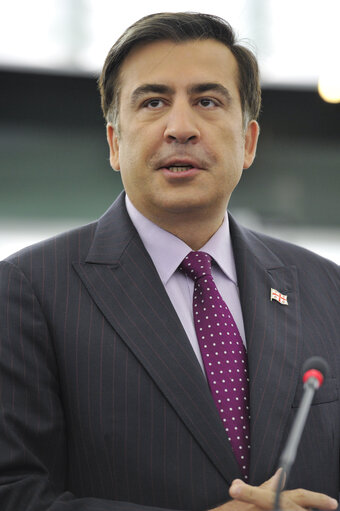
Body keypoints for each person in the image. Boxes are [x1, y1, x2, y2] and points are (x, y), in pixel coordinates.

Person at [0, 12, 339, 511]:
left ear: (248, 142)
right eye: (154, 102)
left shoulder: (326, 288)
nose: (181, 128)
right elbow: (13, 492)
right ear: (115, 143)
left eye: (207, 101)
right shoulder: (28, 290)